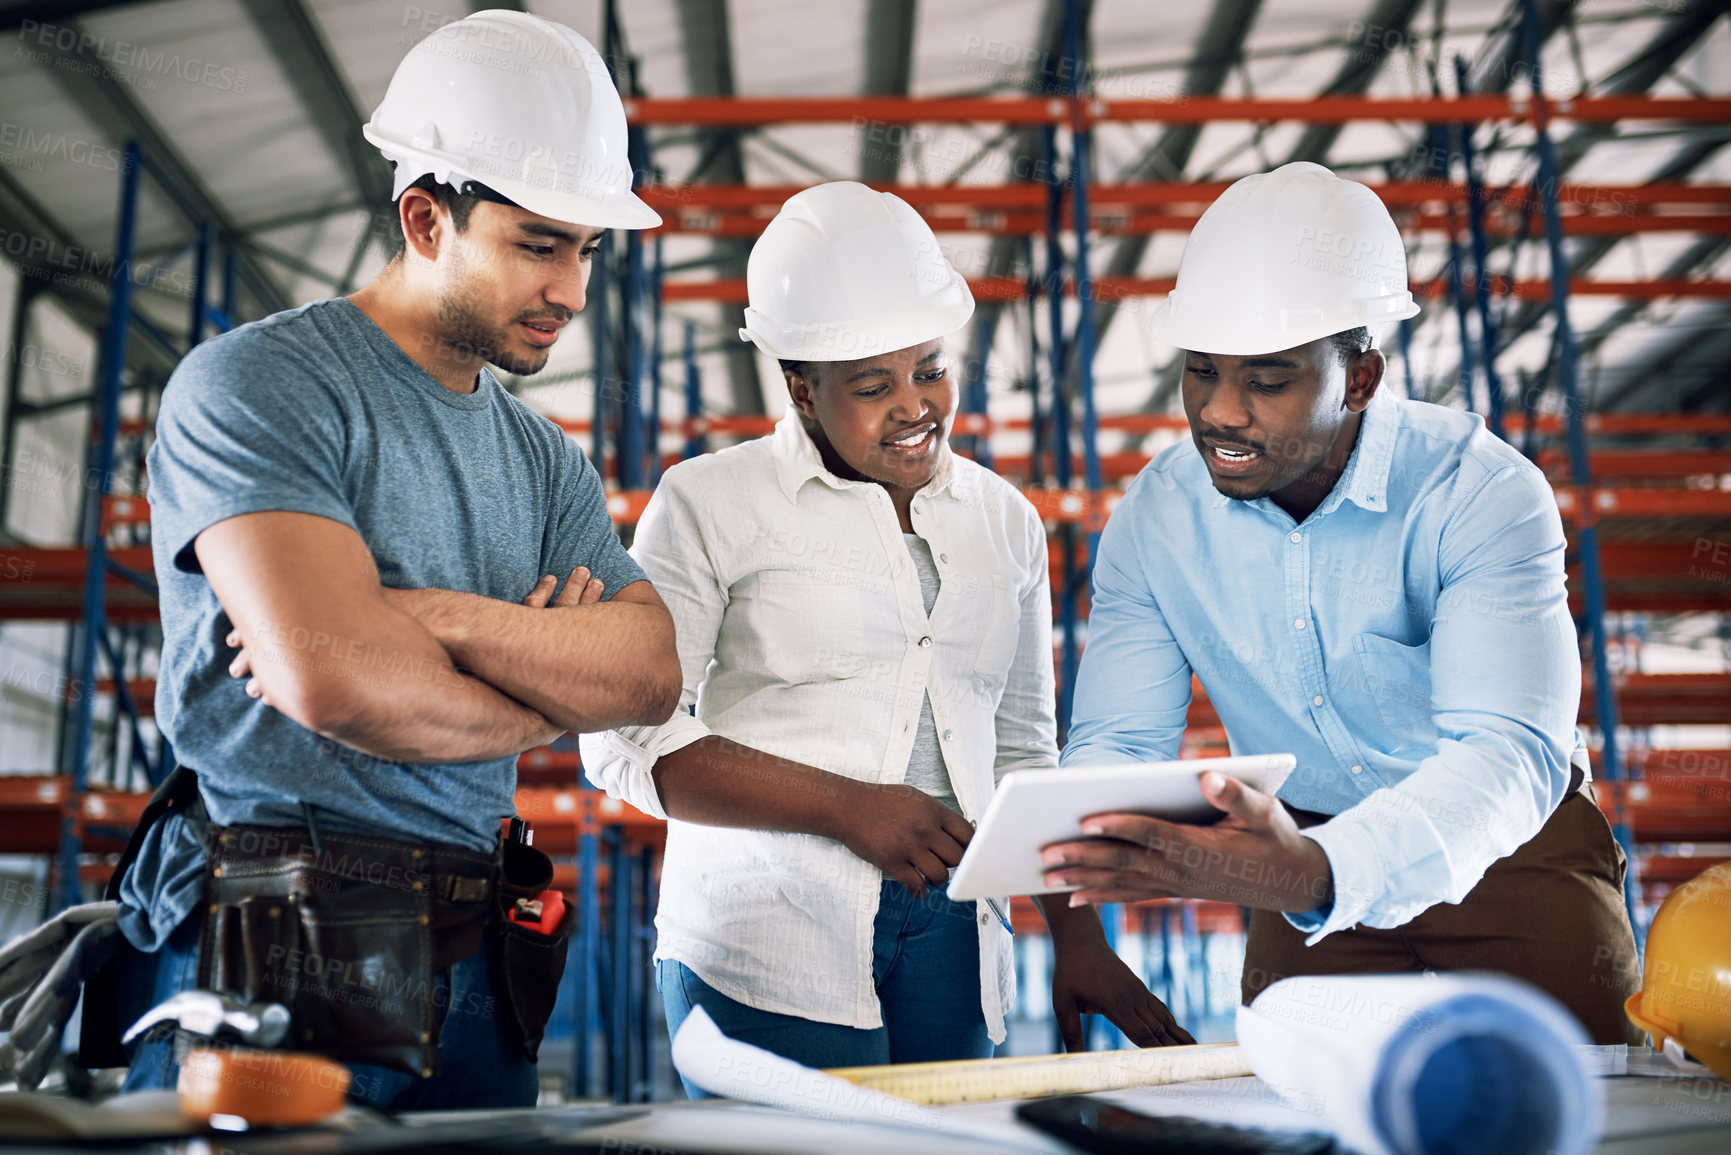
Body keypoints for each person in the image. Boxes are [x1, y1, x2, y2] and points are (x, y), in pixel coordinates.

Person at [87, 11, 680, 1107]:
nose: (574, 291)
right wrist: (542, 689)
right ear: (424, 218)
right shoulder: (261, 386)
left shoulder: (544, 460)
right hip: (276, 937)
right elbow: (333, 676)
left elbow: (646, 677)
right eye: (539, 245)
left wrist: (437, 620)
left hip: (478, 953)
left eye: (587, 250)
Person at [581, 181, 1190, 1093]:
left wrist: (1076, 936)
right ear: (801, 389)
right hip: (768, 929)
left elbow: (1023, 747)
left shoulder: (1004, 520)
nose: (915, 406)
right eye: (872, 386)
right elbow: (627, 736)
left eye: (930, 369)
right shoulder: (710, 502)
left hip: (954, 929)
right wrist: (849, 806)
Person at [1038, 162, 1642, 1045]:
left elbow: (1507, 748)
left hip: (1511, 848)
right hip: (1294, 850)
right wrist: (1078, 929)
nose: (1218, 412)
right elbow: (1116, 744)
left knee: (1581, 1108)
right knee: (1302, 1116)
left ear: (1360, 377)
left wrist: (1319, 871)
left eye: (1266, 380)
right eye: (1199, 372)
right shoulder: (1155, 519)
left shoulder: (1476, 492)